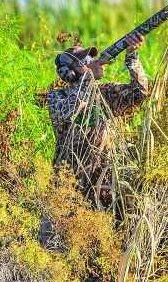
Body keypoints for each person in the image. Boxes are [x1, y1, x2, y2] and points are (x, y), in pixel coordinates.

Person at [45, 33, 147, 209]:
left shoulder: (104, 93)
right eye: (86, 60)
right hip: (69, 184)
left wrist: (131, 57)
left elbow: (140, 93)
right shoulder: (57, 96)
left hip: (104, 184)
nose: (93, 60)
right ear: (68, 72)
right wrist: (87, 78)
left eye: (92, 57)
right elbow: (68, 112)